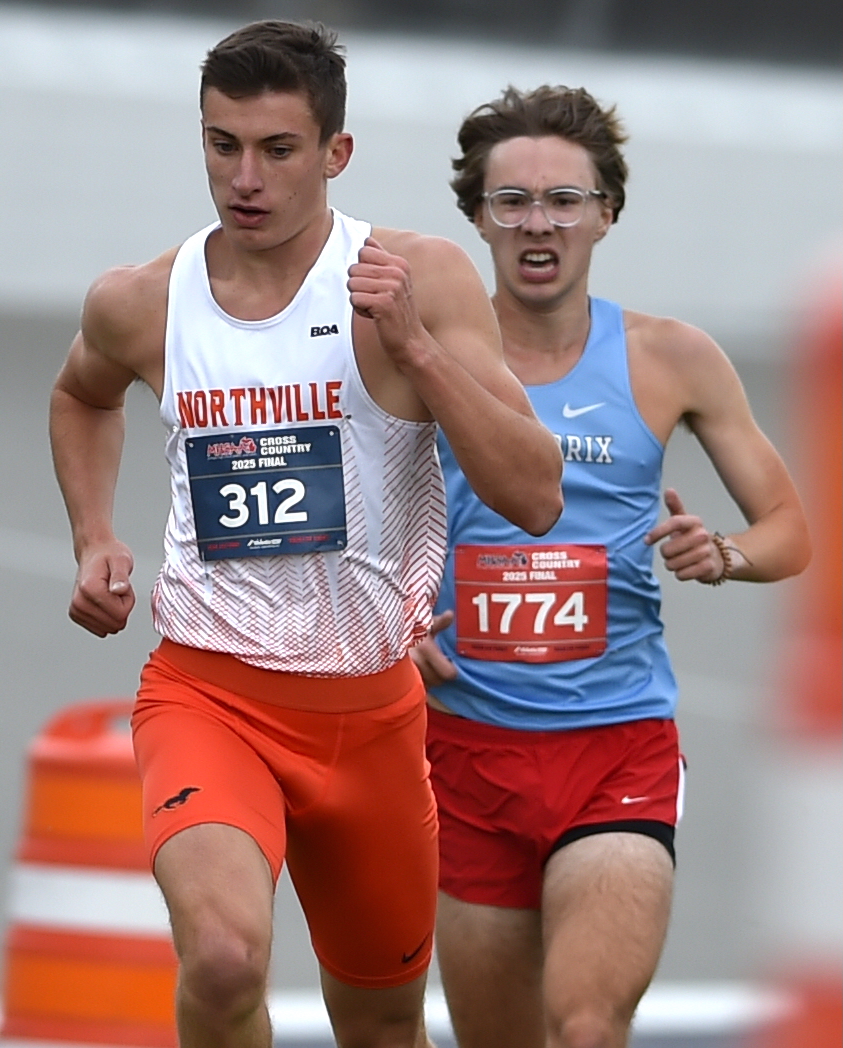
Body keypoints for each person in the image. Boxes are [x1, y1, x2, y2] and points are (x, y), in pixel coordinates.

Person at [48, 25, 563, 1048]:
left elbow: (536, 495)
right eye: (221, 144)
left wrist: (415, 345)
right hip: (210, 692)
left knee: (380, 1022)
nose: (245, 178)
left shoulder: (417, 279)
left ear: (337, 154)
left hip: (370, 716)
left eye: (277, 149)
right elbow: (80, 394)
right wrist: (94, 533)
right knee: (227, 954)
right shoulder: (143, 300)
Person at [411, 85, 811, 1048]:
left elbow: (789, 530)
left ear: (605, 214)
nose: (536, 223)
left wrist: (720, 555)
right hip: (462, 752)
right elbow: (347, 524)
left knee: (586, 1025)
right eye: (511, 202)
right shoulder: (418, 361)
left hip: (615, 748)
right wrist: (386, 615)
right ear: (475, 217)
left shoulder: (670, 357)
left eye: (563, 200)